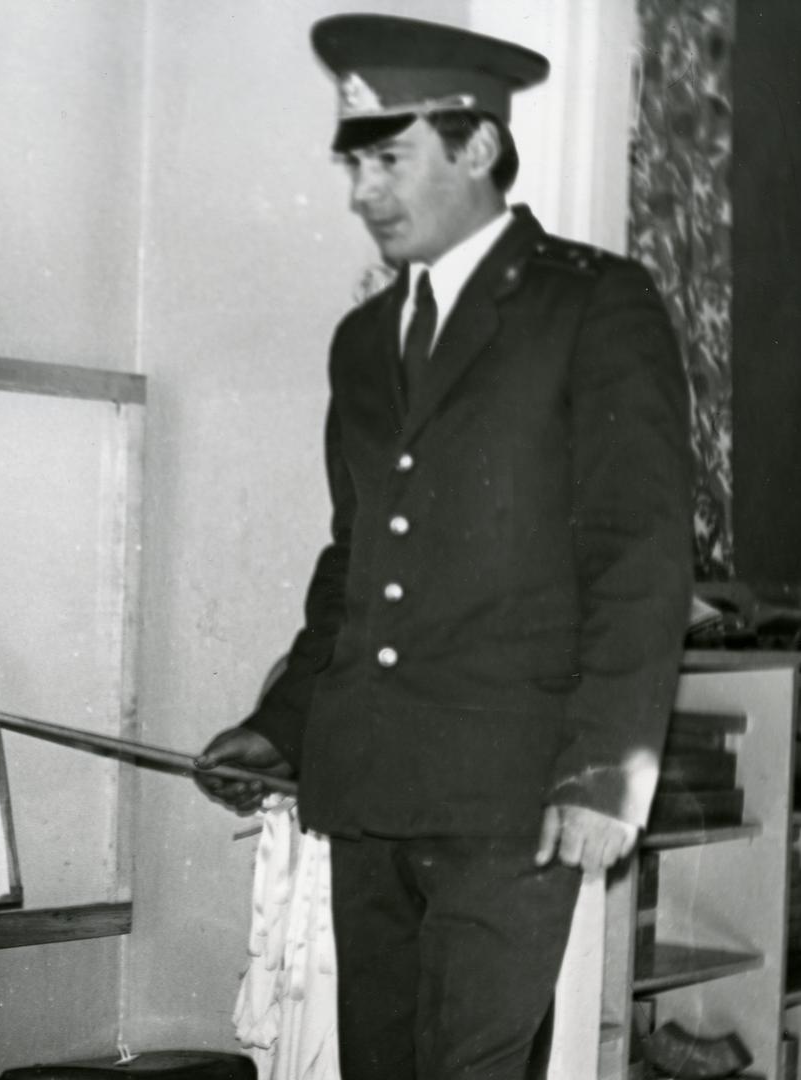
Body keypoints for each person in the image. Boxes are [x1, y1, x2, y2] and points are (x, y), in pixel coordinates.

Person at [195, 14, 693, 1080]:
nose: (362, 192)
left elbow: (639, 558)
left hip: (513, 793)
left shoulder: (591, 304)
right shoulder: (362, 342)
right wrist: (281, 727)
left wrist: (607, 777)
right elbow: (356, 561)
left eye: (390, 158)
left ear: (478, 148)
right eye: (355, 165)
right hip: (371, 787)